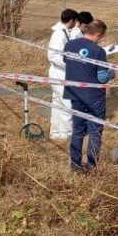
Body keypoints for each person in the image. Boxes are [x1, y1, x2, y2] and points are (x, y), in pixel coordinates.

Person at [63, 19, 115, 171]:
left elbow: (67, 61)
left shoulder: (70, 45)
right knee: (94, 131)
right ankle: (91, 165)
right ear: (98, 34)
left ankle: (75, 165)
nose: (103, 39)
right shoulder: (99, 51)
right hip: (94, 97)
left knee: (77, 130)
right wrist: (112, 73)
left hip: (74, 94)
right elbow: (102, 78)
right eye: (103, 36)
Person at [47, 8, 78, 139]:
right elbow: (53, 56)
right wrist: (71, 63)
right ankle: (66, 134)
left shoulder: (64, 32)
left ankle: (56, 133)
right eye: (75, 21)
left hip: (60, 73)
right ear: (71, 21)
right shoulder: (59, 35)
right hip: (59, 73)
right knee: (67, 103)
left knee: (58, 103)